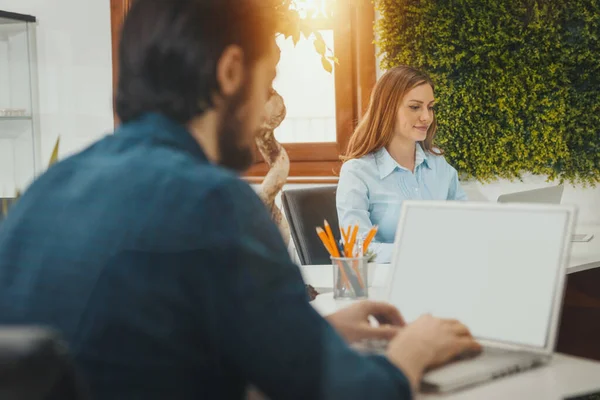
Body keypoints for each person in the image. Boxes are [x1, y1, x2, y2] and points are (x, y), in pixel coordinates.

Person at [0, 1, 480, 399]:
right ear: (231, 72)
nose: (266, 111)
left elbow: (147, 344)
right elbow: (349, 394)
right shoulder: (214, 203)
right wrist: (411, 353)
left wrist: (316, 334)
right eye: (266, 82)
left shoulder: (46, 190)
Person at [337, 66, 467, 263]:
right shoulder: (358, 172)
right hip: (386, 285)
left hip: (442, 276)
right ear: (388, 109)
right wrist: (418, 254)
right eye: (415, 107)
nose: (427, 117)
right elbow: (356, 248)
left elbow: (467, 227)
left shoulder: (439, 165)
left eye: (430, 107)